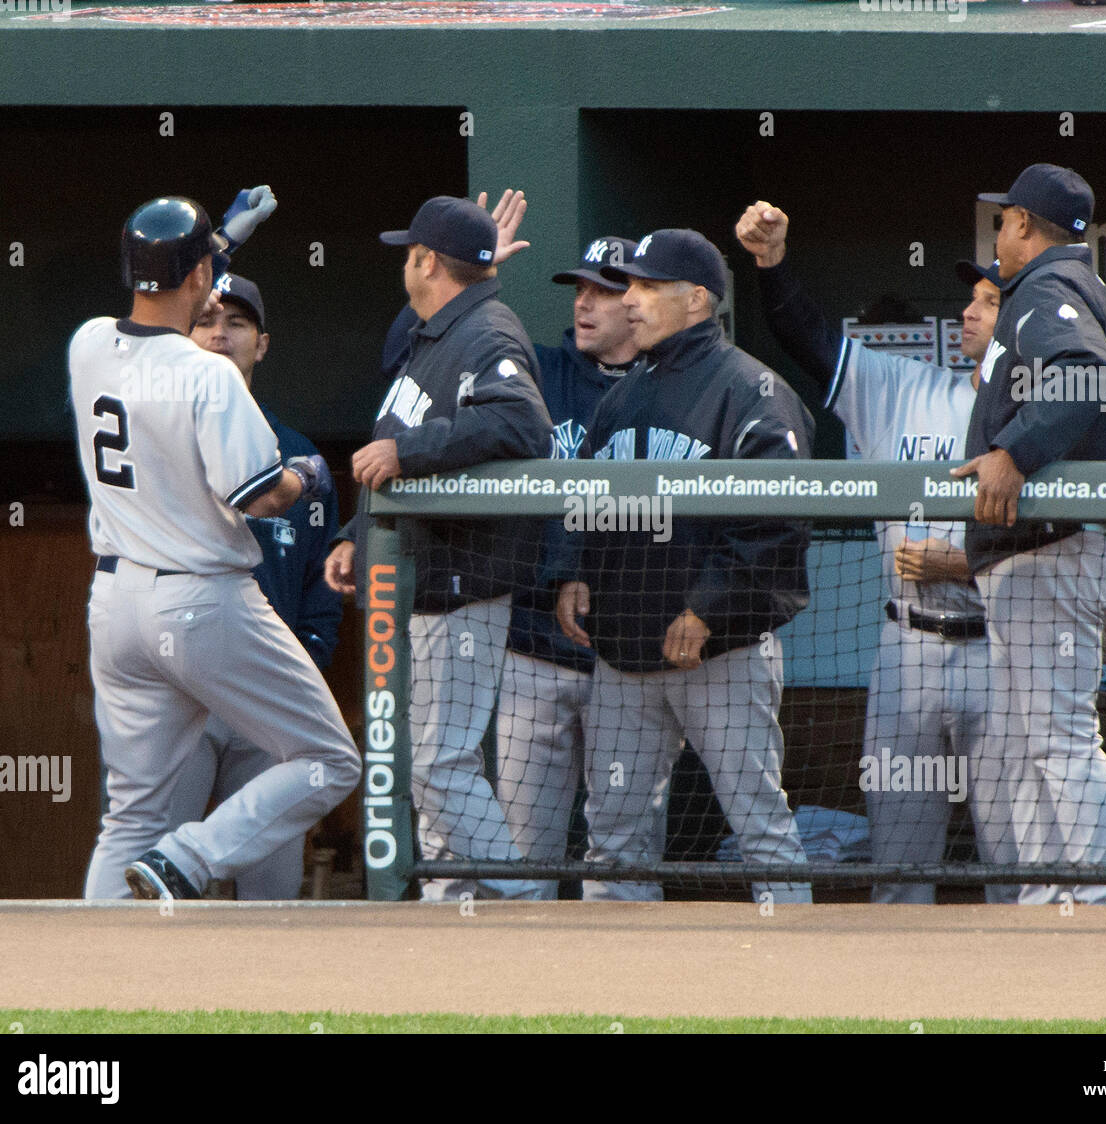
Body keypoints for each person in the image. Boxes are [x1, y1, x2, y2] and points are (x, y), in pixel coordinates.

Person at [74, 195, 360, 900]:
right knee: (329, 759)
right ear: (200, 276)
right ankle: (191, 860)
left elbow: (164, 300)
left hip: (115, 603)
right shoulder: (211, 376)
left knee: (131, 816)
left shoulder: (87, 344)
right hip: (200, 600)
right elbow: (262, 497)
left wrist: (219, 244)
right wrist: (309, 473)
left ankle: (84, 985)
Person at [735, 199, 1014, 903]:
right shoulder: (907, 390)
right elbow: (810, 340)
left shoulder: (1054, 416)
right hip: (908, 647)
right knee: (899, 868)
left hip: (1007, 647)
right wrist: (771, 264)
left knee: (1017, 871)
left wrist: (967, 565)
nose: (970, 313)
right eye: (970, 299)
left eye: (991, 300)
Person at [553, 227, 813, 904]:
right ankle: (624, 998)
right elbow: (594, 494)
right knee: (612, 837)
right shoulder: (623, 394)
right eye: (627, 286)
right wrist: (578, 570)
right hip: (623, 655)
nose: (629, 299)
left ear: (696, 298)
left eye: (645, 287)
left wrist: (708, 608)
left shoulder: (752, 390)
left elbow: (777, 520)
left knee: (760, 828)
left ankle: (802, 990)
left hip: (718, 655)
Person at [323, 195, 554, 902]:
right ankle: (452, 917)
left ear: (426, 261)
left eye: (410, 251)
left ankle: (524, 900)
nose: (404, 261)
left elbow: (523, 424)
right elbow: (396, 439)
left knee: (434, 763)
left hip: (462, 587)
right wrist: (357, 536)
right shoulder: (435, 333)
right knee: (433, 774)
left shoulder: (487, 333)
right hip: (421, 583)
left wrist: (408, 450)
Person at [952, 163, 1106, 906]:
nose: (998, 230)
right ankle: (1045, 900)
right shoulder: (1073, 289)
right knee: (1033, 741)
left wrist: (1015, 452)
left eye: (1003, 219)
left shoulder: (1044, 288)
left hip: (1051, 547)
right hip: (1054, 549)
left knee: (1058, 736)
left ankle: (1097, 902)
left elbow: (1083, 373)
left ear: (1025, 225)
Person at [157, 273, 343, 899]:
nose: (219, 334)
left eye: (236, 324)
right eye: (206, 322)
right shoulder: (155, 439)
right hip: (184, 690)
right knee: (161, 861)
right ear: (184, 337)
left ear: (261, 344)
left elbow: (325, 584)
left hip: (267, 693)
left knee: (272, 883)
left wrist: (303, 662)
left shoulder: (295, 451)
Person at [494, 236, 645, 899]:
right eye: (578, 289)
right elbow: (417, 354)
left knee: (623, 859)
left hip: (629, 664)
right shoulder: (536, 372)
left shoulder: (667, 390)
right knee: (526, 855)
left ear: (637, 301)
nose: (584, 303)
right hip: (532, 648)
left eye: (603, 291)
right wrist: (480, 272)